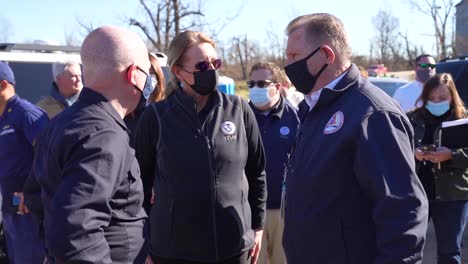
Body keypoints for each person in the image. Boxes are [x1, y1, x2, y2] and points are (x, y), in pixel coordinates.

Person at [281, 13, 428, 264]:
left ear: (326, 55)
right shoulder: (314, 107)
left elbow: (404, 212)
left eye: (294, 56)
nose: (287, 65)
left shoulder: (372, 114)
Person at [134, 30, 267, 264]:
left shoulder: (238, 110)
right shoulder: (155, 117)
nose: (212, 71)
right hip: (173, 252)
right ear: (178, 71)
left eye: (216, 63)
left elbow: (257, 173)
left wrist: (257, 227)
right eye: (203, 66)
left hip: (234, 248)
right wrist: (143, 242)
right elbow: (137, 186)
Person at [25, 26, 150, 263]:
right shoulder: (103, 134)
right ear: (134, 74)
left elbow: (35, 195)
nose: (149, 82)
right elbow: (77, 230)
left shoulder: (61, 122)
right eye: (147, 73)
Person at [407, 73, 468, 264]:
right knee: (407, 247)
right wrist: (414, 153)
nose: (436, 102)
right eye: (431, 99)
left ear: (452, 97)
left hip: (452, 195)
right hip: (417, 193)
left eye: (442, 98)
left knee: (449, 252)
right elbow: (396, 148)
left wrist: (451, 154)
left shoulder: (463, 120)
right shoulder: (412, 119)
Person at [247, 61, 299, 264]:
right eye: (251, 85)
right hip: (249, 210)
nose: (255, 89)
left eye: (261, 84)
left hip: (283, 210)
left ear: (277, 87)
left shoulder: (294, 117)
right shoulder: (240, 115)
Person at [0, 61, 47, 263]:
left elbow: (50, 156)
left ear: (3, 85)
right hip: (11, 210)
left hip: (30, 212)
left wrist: (33, 193)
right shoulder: (3, 118)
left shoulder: (27, 114)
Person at [124, 52, 166, 148]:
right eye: (145, 72)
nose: (149, 78)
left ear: (158, 76)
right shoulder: (126, 111)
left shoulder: (165, 110)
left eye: (151, 73)